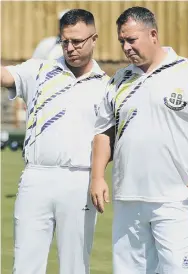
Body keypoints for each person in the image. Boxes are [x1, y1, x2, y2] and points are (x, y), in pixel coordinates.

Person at [90, 6, 188, 274]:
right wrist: (97, 176)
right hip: (128, 195)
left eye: (131, 40)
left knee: (175, 269)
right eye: (121, 41)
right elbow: (104, 131)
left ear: (153, 34)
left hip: (175, 196)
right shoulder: (120, 79)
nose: (126, 47)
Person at [1, 9, 109, 274]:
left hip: (79, 179)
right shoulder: (40, 69)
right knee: (25, 265)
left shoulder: (107, 85)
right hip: (36, 176)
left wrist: (98, 177)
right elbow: (5, 76)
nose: (70, 48)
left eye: (77, 41)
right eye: (65, 41)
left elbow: (105, 138)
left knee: (75, 266)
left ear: (94, 39)